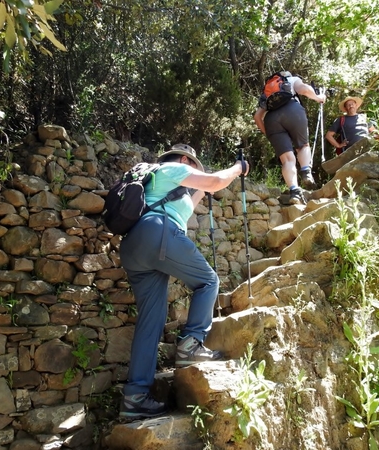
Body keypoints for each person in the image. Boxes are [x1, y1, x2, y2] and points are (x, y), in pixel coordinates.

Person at [118, 143, 249, 419]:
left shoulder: (162, 186)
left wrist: (210, 184)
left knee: (151, 322)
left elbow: (205, 189)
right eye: (193, 165)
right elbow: (214, 181)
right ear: (183, 160)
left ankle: (135, 398)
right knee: (207, 282)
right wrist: (238, 168)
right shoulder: (172, 168)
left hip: (134, 246)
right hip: (158, 234)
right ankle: (191, 345)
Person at [253, 71, 326, 203]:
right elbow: (304, 89)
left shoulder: (267, 92)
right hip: (292, 110)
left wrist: (268, 133)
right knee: (303, 145)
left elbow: (257, 116)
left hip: (271, 120)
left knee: (287, 160)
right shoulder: (291, 79)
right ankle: (305, 172)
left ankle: (294, 192)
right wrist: (318, 97)